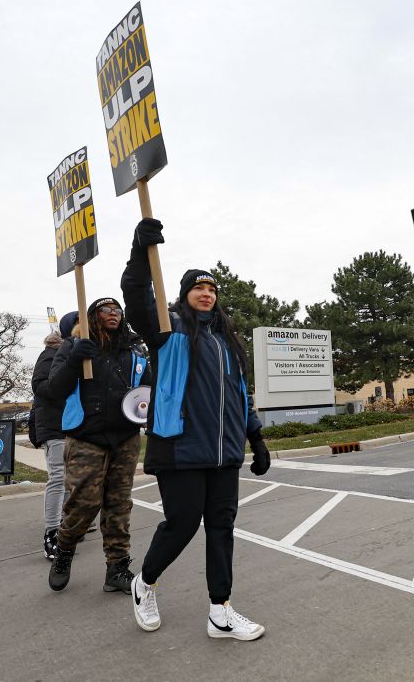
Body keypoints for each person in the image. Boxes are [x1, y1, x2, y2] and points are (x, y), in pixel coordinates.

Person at [121, 218, 272, 641]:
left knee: (222, 528)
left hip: (224, 453)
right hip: (181, 449)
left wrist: (255, 436)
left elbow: (240, 394)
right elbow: (135, 295)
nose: (206, 294)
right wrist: (139, 251)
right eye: (197, 289)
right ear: (185, 297)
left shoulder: (227, 343)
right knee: (182, 525)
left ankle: (220, 611)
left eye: (211, 290)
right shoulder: (168, 332)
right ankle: (144, 582)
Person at [45, 297, 149, 594]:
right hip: (86, 436)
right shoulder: (75, 345)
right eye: (106, 310)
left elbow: (146, 390)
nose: (113, 314)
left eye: (117, 310)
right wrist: (76, 359)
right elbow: (53, 389)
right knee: (84, 503)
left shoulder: (134, 350)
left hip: (125, 437)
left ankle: (117, 567)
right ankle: (64, 550)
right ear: (93, 316)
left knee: (119, 504)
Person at [29, 311, 79, 560]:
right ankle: (52, 532)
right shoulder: (50, 356)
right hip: (56, 426)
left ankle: (68, 523)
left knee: (73, 479)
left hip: (76, 425)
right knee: (59, 478)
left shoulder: (79, 353)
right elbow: (40, 388)